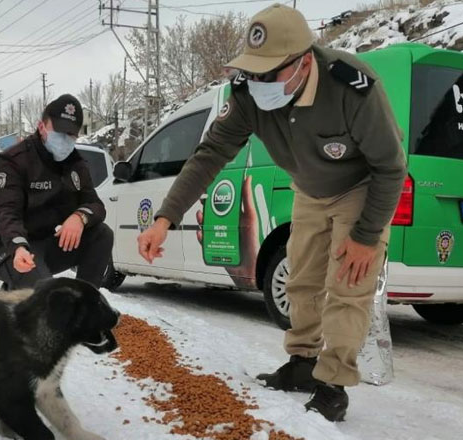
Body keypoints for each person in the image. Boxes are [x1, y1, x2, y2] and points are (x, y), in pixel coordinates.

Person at [136, 4, 406, 422]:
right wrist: (164, 219)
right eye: (254, 71)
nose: (259, 81)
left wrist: (366, 236)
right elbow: (210, 155)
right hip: (310, 191)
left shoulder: (352, 87)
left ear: (303, 61)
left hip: (361, 188)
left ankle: (333, 383)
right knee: (300, 280)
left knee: (347, 286)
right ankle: (302, 362)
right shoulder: (248, 94)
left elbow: (391, 167)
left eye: (270, 72)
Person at [0, 94, 113, 289]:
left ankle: (85, 303)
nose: (65, 140)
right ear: (42, 127)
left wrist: (79, 217)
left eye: (71, 135)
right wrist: (18, 246)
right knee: (46, 295)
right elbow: (7, 212)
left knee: (102, 234)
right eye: (59, 132)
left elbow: (95, 205)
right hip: (7, 246)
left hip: (44, 243)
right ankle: (16, 292)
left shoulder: (75, 164)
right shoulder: (14, 160)